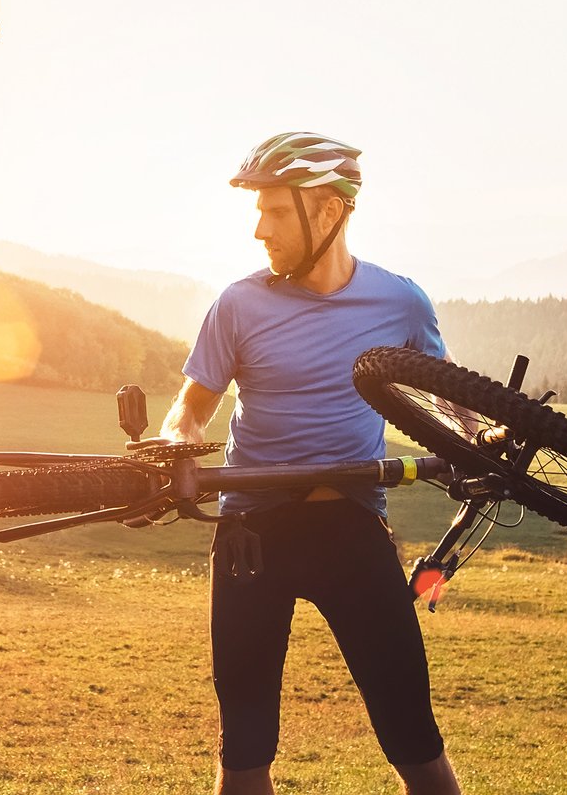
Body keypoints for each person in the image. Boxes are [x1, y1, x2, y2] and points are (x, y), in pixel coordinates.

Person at [155, 132, 464, 795]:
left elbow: (448, 402)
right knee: (243, 747)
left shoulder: (401, 302)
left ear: (328, 209)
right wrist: (177, 443)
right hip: (252, 534)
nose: (257, 228)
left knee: (414, 734)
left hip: (352, 529)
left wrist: (489, 436)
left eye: (274, 211)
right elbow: (189, 407)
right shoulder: (238, 303)